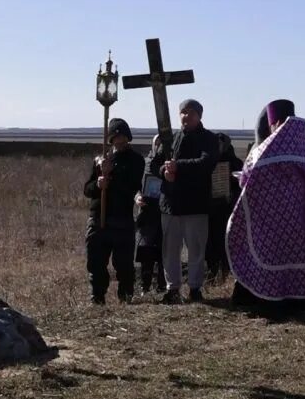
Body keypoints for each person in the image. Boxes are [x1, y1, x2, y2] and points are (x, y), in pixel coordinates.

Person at [227, 100, 305, 311]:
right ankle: (295, 300)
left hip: (268, 216)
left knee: (267, 252)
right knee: (292, 254)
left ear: (275, 122)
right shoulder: (304, 145)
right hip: (296, 216)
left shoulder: (266, 147)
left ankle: (266, 299)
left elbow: (247, 176)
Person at [149, 99, 221, 304]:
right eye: (182, 112)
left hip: (195, 204)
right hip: (170, 204)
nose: (185, 116)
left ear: (199, 116)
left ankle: (195, 288)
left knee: (196, 249)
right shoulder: (169, 138)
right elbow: (155, 163)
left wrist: (177, 167)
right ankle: (172, 289)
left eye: (190, 113)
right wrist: (165, 172)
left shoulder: (209, 138)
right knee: (170, 250)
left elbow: (206, 163)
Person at [82, 118, 145, 304]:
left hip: (122, 220)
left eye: (123, 137)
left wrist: (111, 175)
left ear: (128, 138)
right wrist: (99, 183)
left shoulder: (136, 160)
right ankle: (97, 296)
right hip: (98, 218)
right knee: (96, 261)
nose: (119, 141)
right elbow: (88, 189)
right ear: (110, 140)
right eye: (116, 138)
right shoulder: (101, 160)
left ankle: (125, 297)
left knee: (124, 264)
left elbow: (131, 187)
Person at [205, 132, 243, 283]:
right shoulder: (208, 160)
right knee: (210, 243)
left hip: (227, 209)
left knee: (224, 242)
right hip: (209, 208)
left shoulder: (235, 162)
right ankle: (212, 273)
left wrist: (230, 181)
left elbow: (241, 183)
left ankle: (226, 273)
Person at [134, 134, 166, 295]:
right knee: (145, 250)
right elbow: (136, 187)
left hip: (164, 213)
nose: (159, 146)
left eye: (162, 144)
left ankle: (162, 285)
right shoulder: (144, 163)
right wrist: (137, 197)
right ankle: (144, 286)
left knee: (163, 250)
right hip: (146, 213)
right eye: (157, 143)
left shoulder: (170, 165)